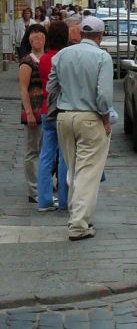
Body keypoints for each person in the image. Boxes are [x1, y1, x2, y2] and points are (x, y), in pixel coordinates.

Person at [48, 16, 114, 241]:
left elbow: (51, 87)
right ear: (100, 36)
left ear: (80, 34)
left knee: (74, 170)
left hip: (64, 117)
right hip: (90, 118)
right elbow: (103, 95)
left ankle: (78, 215)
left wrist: (58, 109)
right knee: (88, 172)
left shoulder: (61, 55)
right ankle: (78, 224)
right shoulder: (102, 57)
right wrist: (105, 119)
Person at [36, 21, 69, 212]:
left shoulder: (44, 59)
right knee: (64, 155)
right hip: (62, 109)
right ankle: (64, 200)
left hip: (45, 109)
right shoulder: (65, 57)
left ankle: (44, 200)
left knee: (46, 155)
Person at [18, 23, 47, 202]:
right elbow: (23, 89)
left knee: (46, 149)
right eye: (33, 34)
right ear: (28, 39)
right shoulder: (27, 61)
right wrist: (28, 112)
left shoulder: (49, 57)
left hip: (48, 108)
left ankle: (43, 184)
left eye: (40, 34)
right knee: (32, 150)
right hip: (34, 109)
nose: (37, 37)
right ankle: (33, 189)